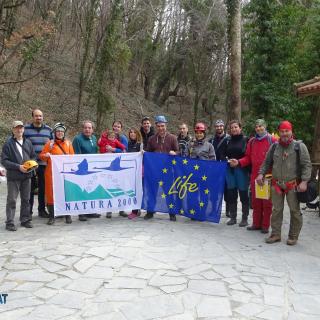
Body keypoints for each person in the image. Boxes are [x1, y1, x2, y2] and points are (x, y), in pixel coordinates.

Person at [257, 120, 311, 245]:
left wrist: (304, 181)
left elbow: (306, 165)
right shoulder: (274, 146)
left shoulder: (299, 147)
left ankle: (293, 236)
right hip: (276, 185)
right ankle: (276, 234)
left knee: (294, 211)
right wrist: (261, 173)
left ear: (291, 131)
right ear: (279, 132)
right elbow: (266, 162)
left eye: (287, 131)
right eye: (282, 131)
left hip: (293, 185)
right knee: (276, 210)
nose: (284, 133)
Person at [229, 119, 276, 233]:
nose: (259, 128)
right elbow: (248, 158)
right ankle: (256, 223)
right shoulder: (252, 141)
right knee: (256, 201)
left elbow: (277, 159)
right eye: (257, 126)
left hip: (268, 175)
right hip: (254, 175)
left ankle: (265, 225)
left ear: (265, 127)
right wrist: (239, 162)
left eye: (261, 126)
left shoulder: (272, 140)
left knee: (266, 202)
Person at [1, 121, 36, 231]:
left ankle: (25, 219)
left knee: (26, 199)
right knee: (12, 200)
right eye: (17, 128)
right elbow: (4, 161)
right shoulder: (8, 144)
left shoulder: (28, 142)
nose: (19, 130)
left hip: (27, 176)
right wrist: (18, 166)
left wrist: (32, 165)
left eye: (21, 128)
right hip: (14, 176)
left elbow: (33, 156)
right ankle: (10, 222)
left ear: (23, 130)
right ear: (13, 130)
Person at [144, 115, 179, 221]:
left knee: (169, 192)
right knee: (152, 191)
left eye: (162, 126)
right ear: (156, 126)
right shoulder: (152, 139)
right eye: (158, 126)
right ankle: (150, 211)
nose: (161, 128)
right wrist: (144, 153)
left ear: (166, 125)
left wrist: (175, 153)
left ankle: (172, 213)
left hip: (167, 171)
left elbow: (178, 151)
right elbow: (148, 152)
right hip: (154, 170)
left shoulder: (172, 138)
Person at [39, 122, 74, 225]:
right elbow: (41, 156)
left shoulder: (68, 143)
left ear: (64, 133)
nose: (59, 133)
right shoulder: (49, 144)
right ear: (54, 132)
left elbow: (73, 157)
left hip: (64, 173)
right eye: (58, 131)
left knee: (66, 193)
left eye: (61, 131)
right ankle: (52, 216)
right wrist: (47, 155)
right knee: (51, 194)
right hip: (51, 174)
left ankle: (67, 215)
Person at [24, 109, 52, 218]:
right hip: (30, 164)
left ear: (43, 117)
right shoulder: (26, 129)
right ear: (32, 117)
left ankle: (41, 210)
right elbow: (22, 146)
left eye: (40, 116)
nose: (38, 118)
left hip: (44, 164)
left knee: (43, 188)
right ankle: (28, 212)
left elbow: (53, 145)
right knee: (29, 189)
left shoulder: (49, 130)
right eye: (36, 116)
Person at [222, 120, 250, 227]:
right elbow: (221, 154)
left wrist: (238, 162)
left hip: (242, 170)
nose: (234, 129)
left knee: (243, 194)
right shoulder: (227, 140)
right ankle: (233, 217)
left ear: (240, 128)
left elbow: (248, 155)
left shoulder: (246, 140)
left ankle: (244, 218)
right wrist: (227, 160)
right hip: (230, 170)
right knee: (231, 193)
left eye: (236, 127)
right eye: (232, 127)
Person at [73, 120, 99, 221]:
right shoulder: (77, 139)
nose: (87, 129)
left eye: (89, 128)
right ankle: (82, 213)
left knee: (91, 188)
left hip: (92, 168)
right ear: (82, 129)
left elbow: (96, 152)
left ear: (92, 129)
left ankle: (90, 211)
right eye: (85, 128)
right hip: (82, 169)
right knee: (82, 189)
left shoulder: (94, 138)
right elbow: (77, 155)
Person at [209, 119, 230, 216]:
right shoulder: (211, 140)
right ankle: (214, 209)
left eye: (221, 126)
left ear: (223, 127)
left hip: (226, 168)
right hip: (214, 168)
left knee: (227, 189)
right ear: (215, 128)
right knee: (214, 190)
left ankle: (228, 210)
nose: (219, 128)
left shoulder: (229, 139)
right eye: (217, 126)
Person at [127, 127, 143, 219]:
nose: (132, 134)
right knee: (132, 191)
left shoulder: (140, 144)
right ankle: (135, 209)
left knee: (138, 190)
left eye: (134, 132)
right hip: (130, 172)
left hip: (139, 171)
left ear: (137, 134)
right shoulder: (128, 143)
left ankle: (135, 210)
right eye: (130, 132)